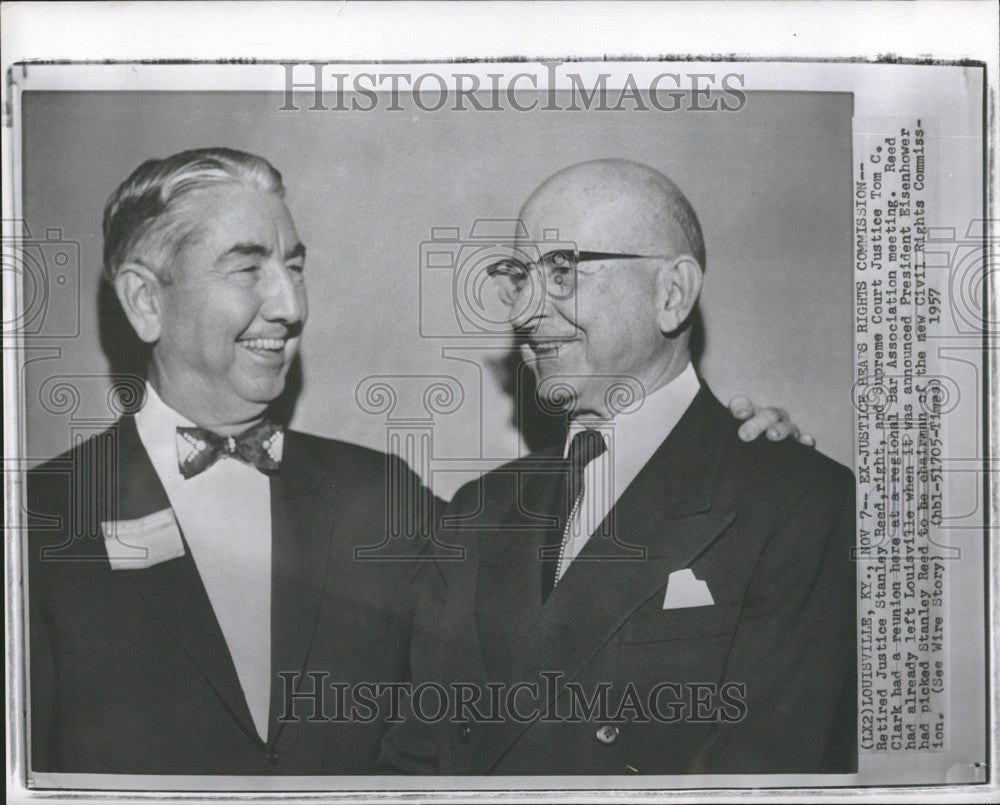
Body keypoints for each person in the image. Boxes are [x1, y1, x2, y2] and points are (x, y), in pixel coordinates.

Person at [25, 148, 811, 777]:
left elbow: (570, 588)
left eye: (295, 265)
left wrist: (732, 459)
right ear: (144, 301)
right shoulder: (35, 525)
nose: (292, 307)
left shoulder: (382, 497)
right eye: (248, 266)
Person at [381, 159, 857, 776]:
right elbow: (418, 758)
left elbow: (768, 769)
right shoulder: (479, 509)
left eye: (562, 270)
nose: (526, 312)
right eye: (518, 277)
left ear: (672, 295)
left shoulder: (798, 501)